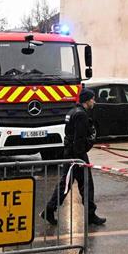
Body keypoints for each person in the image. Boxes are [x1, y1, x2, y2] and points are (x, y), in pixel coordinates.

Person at [43, 89, 105, 226]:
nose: (94, 101)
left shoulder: (72, 112)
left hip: (71, 154)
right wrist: (82, 154)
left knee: (68, 185)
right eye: (92, 99)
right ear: (87, 100)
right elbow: (79, 138)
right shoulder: (81, 115)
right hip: (77, 156)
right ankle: (88, 214)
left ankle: (50, 209)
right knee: (83, 185)